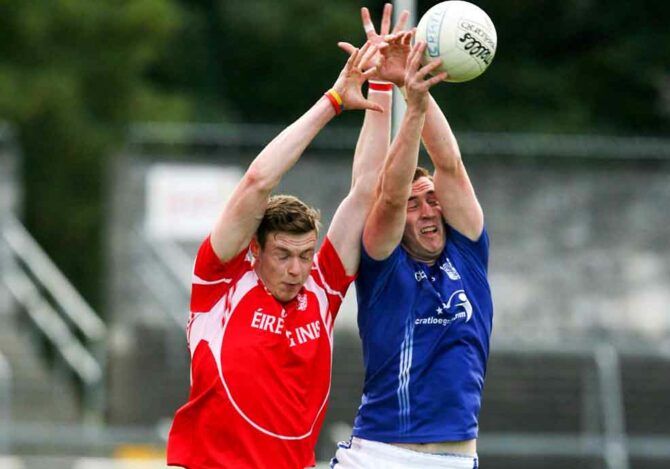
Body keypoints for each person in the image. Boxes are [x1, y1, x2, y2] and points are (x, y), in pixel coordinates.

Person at [166, 42, 390, 469]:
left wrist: (381, 82)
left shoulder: (321, 287)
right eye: (283, 255)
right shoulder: (220, 284)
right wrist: (335, 101)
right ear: (255, 250)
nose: (296, 270)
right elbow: (257, 180)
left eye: (305, 255)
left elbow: (367, 191)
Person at [331, 8, 493, 469]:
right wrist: (412, 109)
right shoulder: (384, 263)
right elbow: (388, 195)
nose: (428, 210)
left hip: (457, 460)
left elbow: (449, 165)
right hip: (382, 455)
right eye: (415, 205)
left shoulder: (468, 256)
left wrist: (408, 79)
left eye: (432, 201)